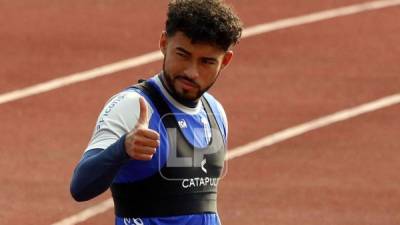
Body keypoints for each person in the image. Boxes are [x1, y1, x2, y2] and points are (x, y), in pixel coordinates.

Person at [70, 0, 243, 224]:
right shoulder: (134, 106)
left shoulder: (215, 112)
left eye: (206, 62)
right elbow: (80, 187)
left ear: (225, 61)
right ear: (163, 43)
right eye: (183, 54)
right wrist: (122, 148)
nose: (191, 72)